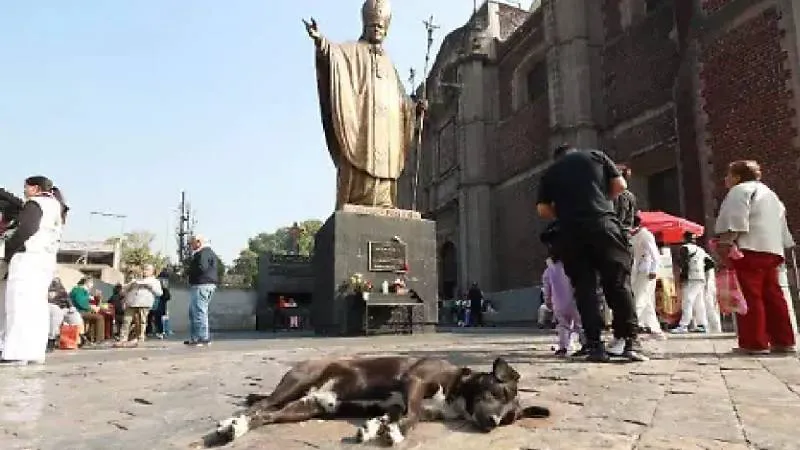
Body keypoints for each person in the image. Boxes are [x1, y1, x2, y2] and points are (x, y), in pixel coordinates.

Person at [303, 0, 426, 209]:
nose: (377, 29)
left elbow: (400, 98)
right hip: (364, 122)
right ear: (365, 26)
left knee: (386, 167)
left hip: (387, 131)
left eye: (381, 26)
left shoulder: (389, 62)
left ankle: (384, 202)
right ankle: (358, 199)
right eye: (373, 26)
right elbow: (334, 55)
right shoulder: (353, 50)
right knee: (359, 158)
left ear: (386, 30)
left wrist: (414, 109)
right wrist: (320, 41)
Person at [536, 144, 645, 362]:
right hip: (603, 224)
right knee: (617, 283)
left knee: (585, 289)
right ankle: (629, 341)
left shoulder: (550, 173)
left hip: (571, 231)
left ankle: (595, 345)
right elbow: (620, 185)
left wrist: (568, 211)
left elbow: (543, 210)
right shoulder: (596, 156)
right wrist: (600, 202)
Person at [714, 160, 796, 354]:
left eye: (728, 175)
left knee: (750, 296)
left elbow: (736, 219)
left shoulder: (740, 190)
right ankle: (783, 340)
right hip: (772, 249)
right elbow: (783, 226)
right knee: (773, 296)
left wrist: (725, 243)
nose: (726, 179)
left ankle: (754, 342)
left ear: (737, 177)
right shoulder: (771, 194)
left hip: (749, 249)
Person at [0, 176, 67, 365]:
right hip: (44, 261)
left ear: (35, 188)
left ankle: (15, 352)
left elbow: (26, 229)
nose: (24, 191)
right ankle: (34, 352)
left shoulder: (36, 203)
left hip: (27, 259)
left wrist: (9, 249)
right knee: (36, 307)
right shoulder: (56, 207)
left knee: (18, 306)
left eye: (26, 187)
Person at [542, 248, 584, 356]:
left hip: (558, 303)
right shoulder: (572, 267)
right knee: (580, 325)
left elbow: (546, 288)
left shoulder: (549, 270)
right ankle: (586, 344)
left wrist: (548, 301)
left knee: (563, 326)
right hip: (574, 301)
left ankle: (563, 347)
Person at [630, 214, 665, 339]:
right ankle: (655, 328)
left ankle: (631, 327)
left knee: (640, 299)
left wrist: (654, 269)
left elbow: (655, 254)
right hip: (635, 270)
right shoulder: (631, 235)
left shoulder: (646, 235)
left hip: (646, 270)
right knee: (647, 300)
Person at [672, 232, 713, 334]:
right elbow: (711, 263)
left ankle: (683, 325)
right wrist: (701, 270)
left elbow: (684, 264)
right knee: (698, 302)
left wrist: (683, 276)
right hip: (700, 277)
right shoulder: (701, 250)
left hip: (691, 277)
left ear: (684, 238)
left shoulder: (685, 248)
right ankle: (702, 324)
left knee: (687, 301)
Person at [115, 264, 162, 348]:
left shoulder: (155, 281)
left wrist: (150, 287)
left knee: (142, 321)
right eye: (144, 269)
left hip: (144, 303)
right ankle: (123, 338)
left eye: (147, 269)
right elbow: (125, 289)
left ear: (152, 272)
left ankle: (140, 338)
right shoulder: (136, 280)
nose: (145, 271)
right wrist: (130, 286)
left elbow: (159, 293)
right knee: (126, 320)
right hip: (132, 302)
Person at [185, 234, 219, 347]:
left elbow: (202, 267)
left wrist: (189, 272)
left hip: (202, 284)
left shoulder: (203, 253)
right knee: (194, 312)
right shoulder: (209, 252)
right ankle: (196, 337)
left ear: (198, 242)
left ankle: (203, 338)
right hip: (206, 284)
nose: (191, 246)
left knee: (199, 311)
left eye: (192, 243)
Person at [69, 277, 105, 344]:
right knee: (99, 317)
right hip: (78, 312)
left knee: (95, 316)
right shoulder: (78, 290)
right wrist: (91, 308)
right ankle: (99, 340)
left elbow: (87, 302)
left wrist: (97, 300)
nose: (92, 285)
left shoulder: (84, 291)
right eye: (91, 283)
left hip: (82, 311)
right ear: (87, 282)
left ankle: (91, 337)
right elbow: (81, 303)